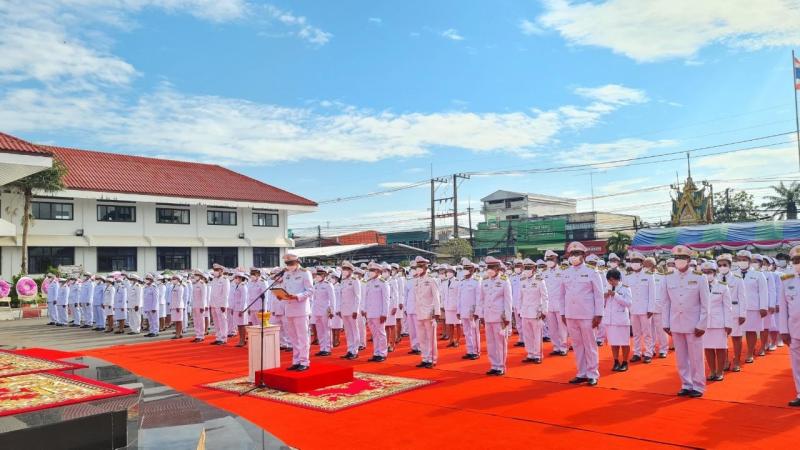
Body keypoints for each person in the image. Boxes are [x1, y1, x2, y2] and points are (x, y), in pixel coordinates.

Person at [661, 245, 710, 398]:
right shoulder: (668, 277)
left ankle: (698, 386)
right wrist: (665, 323)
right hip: (676, 323)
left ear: (689, 259)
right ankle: (686, 384)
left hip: (694, 324)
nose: (679, 260)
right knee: (681, 358)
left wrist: (702, 324)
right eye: (676, 258)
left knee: (696, 357)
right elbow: (665, 302)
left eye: (682, 258)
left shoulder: (699, 277)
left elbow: (705, 304)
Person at [555, 242, 604, 386]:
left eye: (577, 254)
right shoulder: (565, 272)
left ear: (583, 255)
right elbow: (562, 295)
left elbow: (599, 295)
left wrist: (599, 314)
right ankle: (581, 373)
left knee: (590, 345)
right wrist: (563, 313)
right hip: (571, 314)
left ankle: (592, 373)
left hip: (588, 314)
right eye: (572, 254)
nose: (574, 256)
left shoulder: (592, 271)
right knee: (577, 345)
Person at [479, 256, 513, 375]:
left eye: (492, 267)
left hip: (499, 317)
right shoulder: (484, 280)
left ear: (498, 268)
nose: (489, 269)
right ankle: (494, 365)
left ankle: (501, 366)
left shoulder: (504, 280)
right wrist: (481, 315)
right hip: (488, 316)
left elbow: (508, 300)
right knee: (490, 342)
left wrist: (507, 317)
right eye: (488, 267)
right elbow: (481, 299)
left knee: (500, 343)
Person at [280, 253, 314, 371]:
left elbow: (310, 290)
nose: (289, 265)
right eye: (287, 263)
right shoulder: (286, 274)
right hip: (289, 309)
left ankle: (304, 361)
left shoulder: (305, 273)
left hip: (301, 309)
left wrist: (297, 296)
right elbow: (284, 288)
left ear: (297, 262)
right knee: (293, 337)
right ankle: (296, 360)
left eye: (290, 263)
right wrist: (280, 295)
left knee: (302, 337)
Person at [700, 262, 732, 382]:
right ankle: (712, 371)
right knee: (707, 347)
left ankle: (720, 371)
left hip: (719, 322)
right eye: (704, 272)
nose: (707, 274)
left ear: (714, 273)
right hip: (704, 322)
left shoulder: (722, 286)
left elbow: (728, 307)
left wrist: (728, 324)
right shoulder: (698, 286)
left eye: (709, 272)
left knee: (720, 347)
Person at [735, 250, 769, 364]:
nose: (742, 262)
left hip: (752, 307)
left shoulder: (758, 274)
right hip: (736, 307)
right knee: (736, 332)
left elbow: (763, 291)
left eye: (744, 260)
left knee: (750, 331)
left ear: (749, 261)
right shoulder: (733, 274)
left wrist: (763, 307)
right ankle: (737, 355)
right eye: (740, 260)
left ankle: (750, 353)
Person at [716, 254, 747, 372]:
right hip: (719, 313)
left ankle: (737, 361)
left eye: (724, 265)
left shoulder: (737, 279)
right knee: (721, 338)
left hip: (734, 312)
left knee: (736, 338)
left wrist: (742, 314)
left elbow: (742, 297)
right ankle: (725, 361)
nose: (722, 267)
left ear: (730, 265)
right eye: (720, 265)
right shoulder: (715, 278)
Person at [778, 245, 800, 407]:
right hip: (795, 329)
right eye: (795, 260)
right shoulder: (786, 280)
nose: (798, 263)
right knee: (797, 364)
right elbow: (783, 308)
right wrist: (784, 331)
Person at [626, 251, 656, 364]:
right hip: (633, 309)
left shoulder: (649, 275)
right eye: (632, 261)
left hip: (645, 309)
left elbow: (652, 294)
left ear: (642, 262)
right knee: (636, 333)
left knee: (647, 333)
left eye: (636, 261)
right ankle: (637, 353)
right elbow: (627, 294)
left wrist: (651, 309)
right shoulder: (628, 277)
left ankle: (648, 353)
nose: (634, 263)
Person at [413, 256, 441, 369]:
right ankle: (425, 358)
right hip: (419, 312)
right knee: (422, 337)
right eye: (417, 266)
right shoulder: (416, 280)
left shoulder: (431, 280)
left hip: (429, 313)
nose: (418, 268)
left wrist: (437, 312)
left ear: (426, 267)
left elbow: (436, 297)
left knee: (431, 337)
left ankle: (432, 359)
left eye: (421, 266)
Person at [519, 258, 548, 364]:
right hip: (525, 312)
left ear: (534, 268)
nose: (527, 270)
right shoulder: (522, 280)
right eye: (525, 267)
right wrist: (519, 310)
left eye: (529, 267)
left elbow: (545, 297)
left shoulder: (539, 280)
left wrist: (544, 311)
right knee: (527, 335)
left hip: (536, 312)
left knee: (537, 335)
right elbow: (520, 297)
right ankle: (530, 354)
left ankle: (537, 355)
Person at [604, 268, 632, 372]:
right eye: (609, 280)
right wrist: (604, 296)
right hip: (610, 320)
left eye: (612, 280)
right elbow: (602, 303)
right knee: (614, 342)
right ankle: (616, 361)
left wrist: (615, 295)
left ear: (618, 279)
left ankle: (625, 362)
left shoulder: (625, 288)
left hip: (621, 320)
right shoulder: (606, 287)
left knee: (624, 342)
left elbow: (628, 303)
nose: (611, 282)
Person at [542, 251, 568, 356]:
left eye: (551, 259)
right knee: (552, 328)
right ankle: (556, 347)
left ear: (556, 259)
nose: (549, 261)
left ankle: (563, 347)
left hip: (560, 304)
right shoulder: (544, 272)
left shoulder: (563, 270)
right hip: (549, 305)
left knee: (562, 328)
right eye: (548, 259)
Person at [364, 262, 390, 362]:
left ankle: (382, 353)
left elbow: (386, 300)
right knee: (374, 334)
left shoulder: (383, 283)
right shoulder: (369, 283)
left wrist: (384, 314)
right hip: (370, 313)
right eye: (370, 270)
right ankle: (376, 353)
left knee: (381, 333)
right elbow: (366, 298)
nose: (370, 272)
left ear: (378, 271)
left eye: (372, 270)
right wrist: (365, 310)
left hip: (379, 313)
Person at [337, 261, 362, 360]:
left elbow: (358, 296)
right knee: (348, 331)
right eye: (343, 269)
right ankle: (349, 350)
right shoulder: (343, 281)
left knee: (354, 330)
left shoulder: (355, 280)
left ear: (351, 270)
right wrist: (339, 309)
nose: (344, 271)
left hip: (352, 310)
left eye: (346, 269)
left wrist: (356, 310)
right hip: (344, 310)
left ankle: (355, 351)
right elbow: (340, 297)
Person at [457, 259, 481, 360]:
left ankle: (476, 351)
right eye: (464, 268)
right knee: (466, 332)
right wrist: (458, 311)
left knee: (474, 332)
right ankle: (469, 351)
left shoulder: (477, 281)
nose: (465, 270)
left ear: (472, 269)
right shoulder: (462, 281)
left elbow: (479, 298)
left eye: (468, 268)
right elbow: (459, 297)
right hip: (463, 310)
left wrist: (477, 311)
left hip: (472, 311)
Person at [312, 267, 335, 357]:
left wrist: (332, 311)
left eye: (320, 274)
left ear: (324, 275)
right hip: (316, 310)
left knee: (326, 329)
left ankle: (327, 348)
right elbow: (314, 299)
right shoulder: (316, 285)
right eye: (317, 274)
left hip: (325, 310)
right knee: (319, 330)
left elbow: (332, 299)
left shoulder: (328, 285)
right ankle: (322, 348)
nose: (318, 276)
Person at [208, 264, 231, 345]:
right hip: (213, 304)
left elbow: (226, 294)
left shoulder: (225, 280)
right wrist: (210, 304)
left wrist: (224, 305)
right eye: (214, 270)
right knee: (216, 322)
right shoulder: (214, 280)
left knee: (222, 321)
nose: (215, 271)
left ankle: (223, 338)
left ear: (221, 271)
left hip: (221, 305)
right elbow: (212, 293)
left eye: (217, 270)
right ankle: (218, 337)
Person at [443, 264, 461, 348]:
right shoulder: (445, 282)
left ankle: (457, 340)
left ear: (454, 273)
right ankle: (451, 340)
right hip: (447, 306)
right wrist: (443, 305)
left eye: (450, 271)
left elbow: (460, 295)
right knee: (450, 324)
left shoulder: (458, 281)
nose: (448, 273)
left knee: (458, 324)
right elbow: (444, 295)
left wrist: (459, 307)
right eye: (447, 271)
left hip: (456, 306)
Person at [229, 272, 249, 347]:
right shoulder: (237, 286)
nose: (236, 279)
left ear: (241, 278)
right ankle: (241, 339)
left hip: (241, 308)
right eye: (235, 277)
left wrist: (242, 309)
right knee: (239, 325)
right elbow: (233, 298)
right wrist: (232, 308)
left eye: (237, 277)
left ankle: (242, 340)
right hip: (236, 308)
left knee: (242, 325)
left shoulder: (243, 286)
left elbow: (244, 299)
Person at [191, 270, 209, 342]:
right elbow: (193, 296)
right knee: (196, 321)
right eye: (195, 275)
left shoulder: (202, 284)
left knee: (201, 321)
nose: (195, 276)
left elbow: (204, 296)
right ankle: (197, 335)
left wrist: (203, 306)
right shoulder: (194, 284)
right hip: (195, 305)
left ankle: (201, 336)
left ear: (200, 276)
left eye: (197, 275)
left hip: (200, 305)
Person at [169, 274, 186, 339]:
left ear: (178, 280)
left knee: (179, 321)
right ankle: (178, 333)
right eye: (173, 279)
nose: (173, 280)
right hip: (174, 306)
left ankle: (178, 334)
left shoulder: (180, 287)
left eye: (174, 279)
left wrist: (178, 306)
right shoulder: (173, 286)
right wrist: (171, 307)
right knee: (176, 321)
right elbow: (172, 298)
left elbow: (180, 297)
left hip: (178, 307)